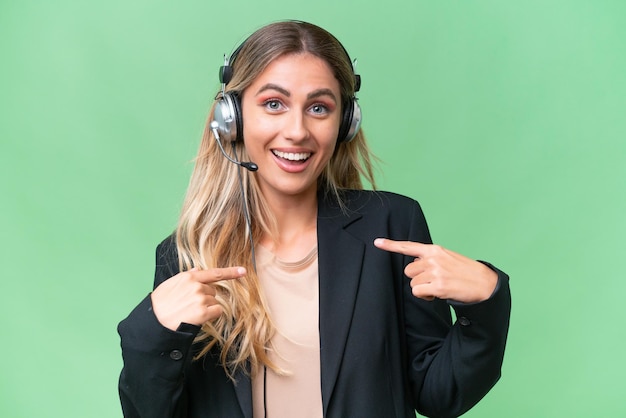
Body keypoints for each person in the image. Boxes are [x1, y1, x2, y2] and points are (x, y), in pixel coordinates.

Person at [117, 20, 511, 418]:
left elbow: (438, 394)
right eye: (274, 104)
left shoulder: (391, 225)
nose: (297, 131)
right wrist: (154, 331)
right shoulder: (187, 255)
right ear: (231, 118)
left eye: (319, 108)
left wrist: (486, 303)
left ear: (344, 123)